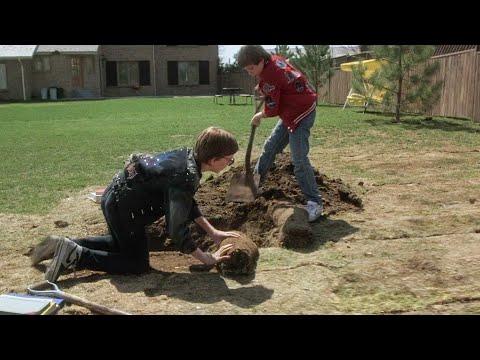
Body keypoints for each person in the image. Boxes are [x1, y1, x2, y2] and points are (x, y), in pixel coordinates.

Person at [33, 127, 241, 283]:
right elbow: (176, 230)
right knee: (136, 264)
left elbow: (187, 202)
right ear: (214, 159)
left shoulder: (187, 157)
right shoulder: (186, 177)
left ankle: (63, 243)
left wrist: (212, 232)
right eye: (229, 160)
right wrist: (206, 258)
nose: (229, 164)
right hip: (125, 210)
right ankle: (75, 255)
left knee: (119, 246)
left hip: (114, 197)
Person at [237, 45, 324, 222]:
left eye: (252, 68)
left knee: (299, 159)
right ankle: (252, 185)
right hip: (291, 109)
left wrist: (259, 115)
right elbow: (282, 82)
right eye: (247, 70)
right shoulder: (274, 60)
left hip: (300, 113)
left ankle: (315, 203)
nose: (250, 73)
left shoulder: (270, 76)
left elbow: (272, 107)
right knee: (270, 147)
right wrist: (263, 86)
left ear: (261, 61)